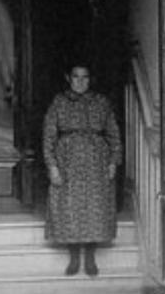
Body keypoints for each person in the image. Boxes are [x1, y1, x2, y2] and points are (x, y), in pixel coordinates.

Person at [43, 63, 122, 276]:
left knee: (95, 207)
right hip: (67, 162)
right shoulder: (59, 102)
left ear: (90, 79)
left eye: (85, 77)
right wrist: (52, 167)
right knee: (69, 208)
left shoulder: (101, 102)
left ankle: (90, 257)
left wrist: (114, 161)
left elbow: (113, 134)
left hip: (96, 162)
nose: (80, 82)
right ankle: (74, 257)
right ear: (68, 78)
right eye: (76, 77)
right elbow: (49, 136)